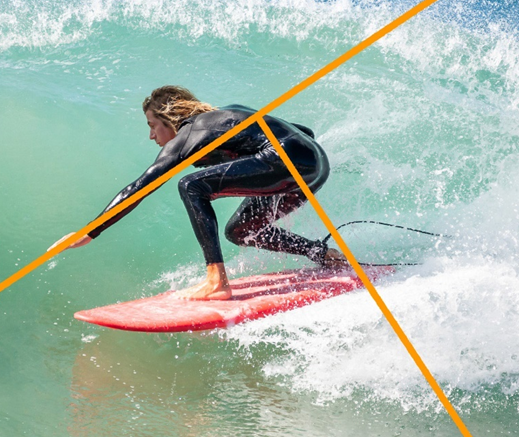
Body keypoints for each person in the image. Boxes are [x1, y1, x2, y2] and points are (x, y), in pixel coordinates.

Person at [51, 86, 347, 300]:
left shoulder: (189, 133)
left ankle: (217, 281)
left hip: (286, 162)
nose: (151, 135)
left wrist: (91, 231)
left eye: (153, 125)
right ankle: (324, 255)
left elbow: (141, 186)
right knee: (240, 231)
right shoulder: (225, 116)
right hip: (314, 166)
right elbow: (302, 131)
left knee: (191, 185)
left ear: (169, 119)